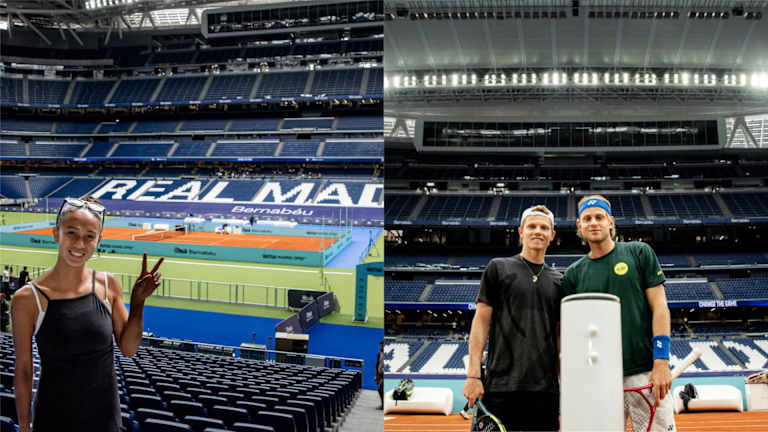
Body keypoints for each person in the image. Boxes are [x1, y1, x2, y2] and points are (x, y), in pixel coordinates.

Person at [11, 196, 164, 432]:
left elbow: (128, 348)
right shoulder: (27, 298)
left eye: (89, 236)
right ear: (56, 233)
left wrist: (138, 302)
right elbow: (23, 370)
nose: (80, 244)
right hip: (53, 421)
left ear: (98, 241)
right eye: (71, 232)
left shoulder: (108, 284)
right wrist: (24, 426)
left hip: (105, 421)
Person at [562, 195, 674, 432]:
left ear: (611, 222)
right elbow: (572, 331)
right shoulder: (573, 274)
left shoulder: (639, 252)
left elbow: (660, 307)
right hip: (599, 378)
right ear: (579, 226)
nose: (594, 223)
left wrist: (661, 361)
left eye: (599, 217)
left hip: (645, 371)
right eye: (587, 219)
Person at [463, 205, 562, 431]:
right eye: (532, 226)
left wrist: (565, 386)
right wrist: (473, 376)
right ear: (521, 232)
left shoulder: (559, 281)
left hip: (545, 392)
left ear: (552, 235)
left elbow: (559, 337)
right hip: (500, 387)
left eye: (544, 228)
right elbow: (481, 321)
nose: (538, 231)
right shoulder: (498, 268)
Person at [375, 340, 385, 409]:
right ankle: (383, 404)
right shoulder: (379, 354)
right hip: (379, 374)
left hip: (384, 375)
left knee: (381, 389)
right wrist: (376, 375)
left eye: (382, 346)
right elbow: (377, 364)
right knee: (380, 389)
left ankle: (383, 405)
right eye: (380, 346)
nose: (381, 347)